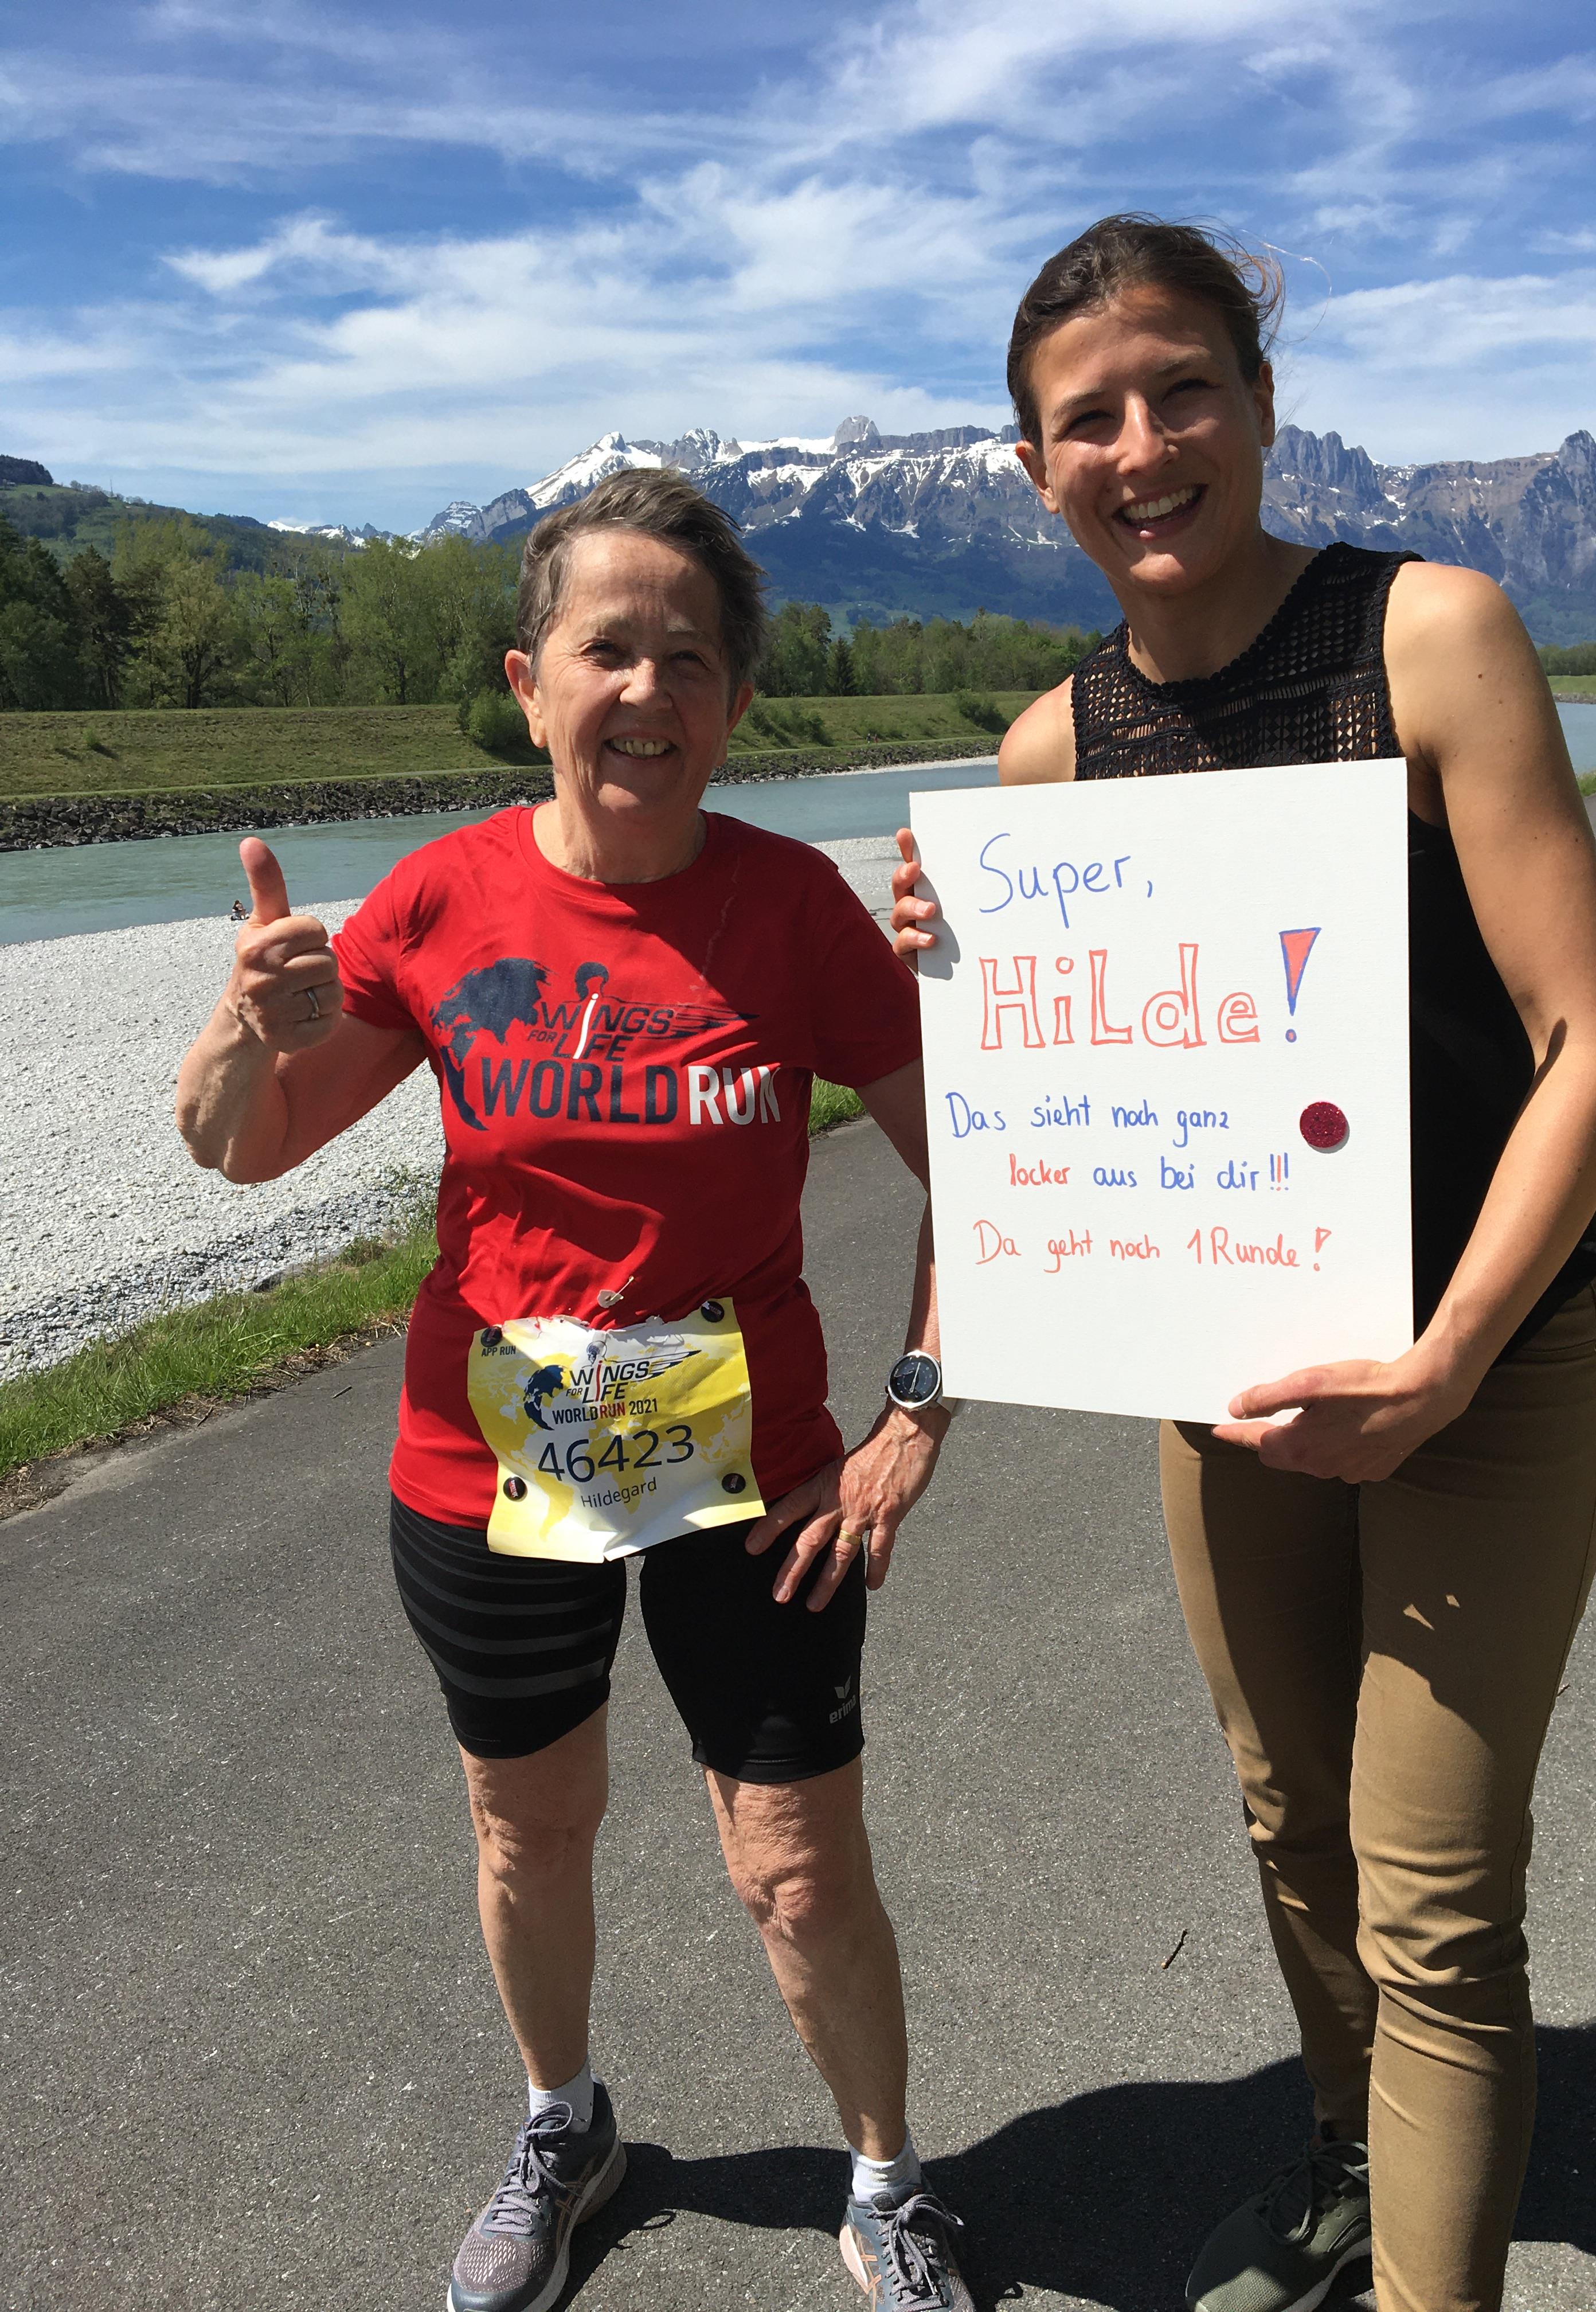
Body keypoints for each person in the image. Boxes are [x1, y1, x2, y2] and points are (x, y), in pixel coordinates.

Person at [890, 216, 1596, 2312]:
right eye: (1086, 419)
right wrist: (958, 959)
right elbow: (1038, 1105)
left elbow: (1595, 1042)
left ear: (1262, 401)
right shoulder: (1051, 754)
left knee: (1433, 1906)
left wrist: (1449, 1353)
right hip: (1222, 1378)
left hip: (1483, 1373)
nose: (1142, 446)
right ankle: (1346, 2154)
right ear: (1033, 464)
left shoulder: (1431, 637)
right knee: (1285, 1820)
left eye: (1181, 390)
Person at [177, 468, 976, 2312]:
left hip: (754, 1476)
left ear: (738, 704)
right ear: (527, 682)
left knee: (792, 1864)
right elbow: (247, 1152)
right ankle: (567, 2125)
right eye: (606, 649)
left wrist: (918, 1406)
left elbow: (980, 1175)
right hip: (484, 1468)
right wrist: (243, 1020)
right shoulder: (441, 901)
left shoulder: (791, 915)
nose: (646, 690)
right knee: (527, 1827)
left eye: (686, 657)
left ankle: (885, 2174)